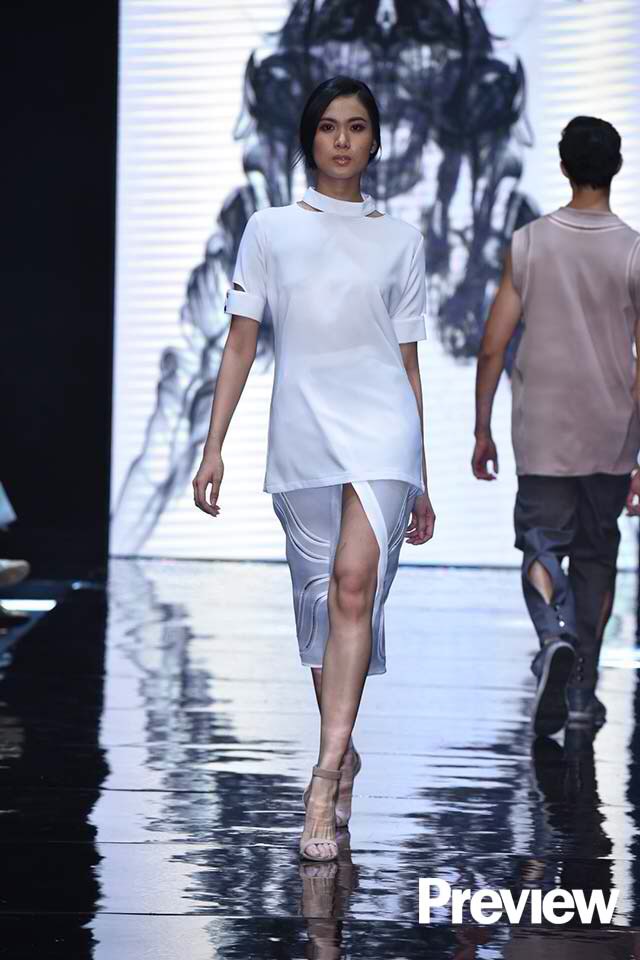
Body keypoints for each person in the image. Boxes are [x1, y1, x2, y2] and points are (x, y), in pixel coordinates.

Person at [192, 75, 436, 860]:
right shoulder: (268, 230)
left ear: (375, 140)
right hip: (302, 429)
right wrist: (213, 445)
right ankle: (343, 747)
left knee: (354, 586)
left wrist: (423, 475)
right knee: (323, 604)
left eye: (356, 126)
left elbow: (408, 362)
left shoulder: (402, 240)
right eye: (329, 126)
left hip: (384, 432)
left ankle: (324, 779)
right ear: (309, 138)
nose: (342, 140)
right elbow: (240, 343)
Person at [472, 116, 640, 738]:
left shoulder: (530, 244)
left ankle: (552, 639)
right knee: (596, 556)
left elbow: (493, 345)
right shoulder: (634, 251)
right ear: (615, 167)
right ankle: (581, 692)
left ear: (564, 167)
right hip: (612, 431)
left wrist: (481, 427)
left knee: (541, 544)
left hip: (542, 430)